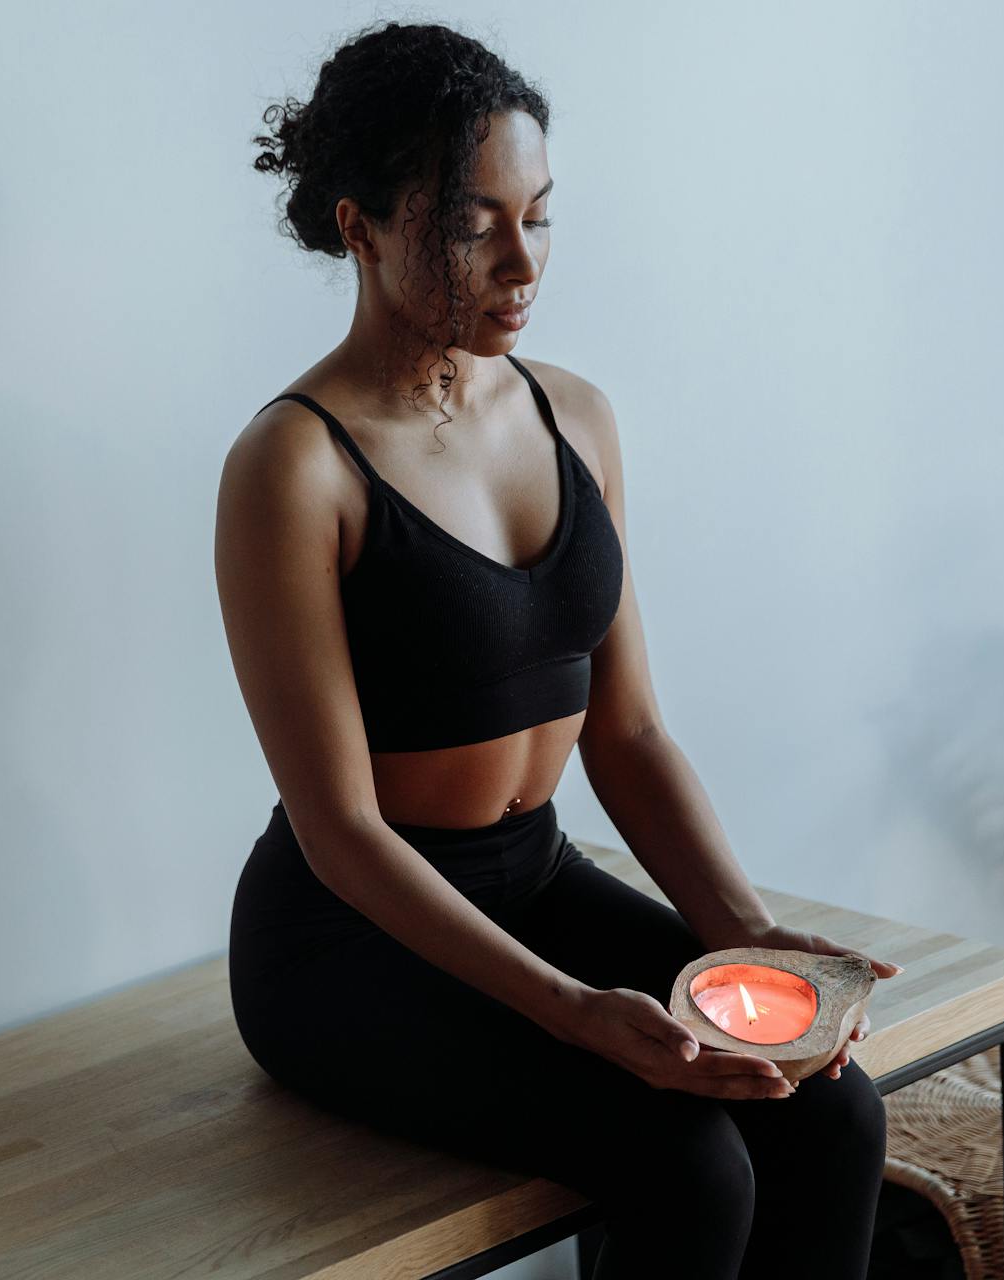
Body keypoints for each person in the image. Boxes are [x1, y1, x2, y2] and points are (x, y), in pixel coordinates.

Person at [213, 20, 902, 1280]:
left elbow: (628, 732)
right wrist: (577, 1013)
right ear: (358, 223)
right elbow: (342, 835)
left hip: (534, 877)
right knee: (686, 1157)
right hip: (349, 943)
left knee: (835, 1109)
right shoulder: (295, 465)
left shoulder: (574, 414)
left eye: (541, 215)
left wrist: (744, 933)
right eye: (475, 222)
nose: (521, 261)